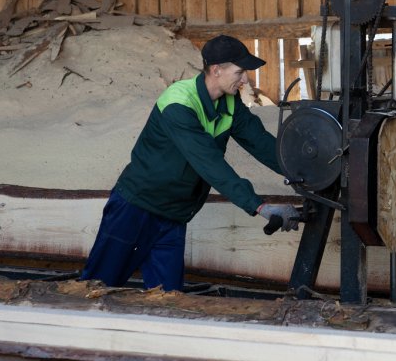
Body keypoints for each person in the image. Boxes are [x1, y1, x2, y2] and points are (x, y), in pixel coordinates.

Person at [80, 35, 300, 291]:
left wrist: (303, 173)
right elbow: (210, 164)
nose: (245, 80)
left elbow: (260, 142)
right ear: (216, 70)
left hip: (173, 215)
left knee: (169, 300)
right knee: (94, 290)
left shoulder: (230, 103)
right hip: (135, 209)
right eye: (240, 72)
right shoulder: (179, 103)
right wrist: (260, 207)